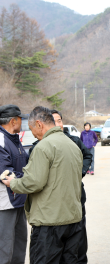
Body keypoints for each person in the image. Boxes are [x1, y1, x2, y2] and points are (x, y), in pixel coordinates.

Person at [1, 106, 83, 264]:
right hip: (72, 220)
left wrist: (14, 183)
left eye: (31, 129)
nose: (32, 133)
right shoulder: (72, 145)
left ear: (39, 124)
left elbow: (34, 182)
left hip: (49, 222)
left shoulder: (43, 147)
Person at [51, 110, 92, 264]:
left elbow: (88, 155)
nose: (58, 124)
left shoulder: (74, 141)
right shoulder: (42, 144)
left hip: (76, 198)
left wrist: (80, 172)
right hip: (55, 203)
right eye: (54, 121)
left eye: (60, 120)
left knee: (79, 239)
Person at [0, 105, 28, 264]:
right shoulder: (1, 140)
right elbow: (5, 175)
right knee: (4, 250)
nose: (22, 122)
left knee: (19, 246)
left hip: (18, 200)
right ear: (13, 121)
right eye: (20, 119)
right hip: (5, 203)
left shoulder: (14, 139)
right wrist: (30, 181)